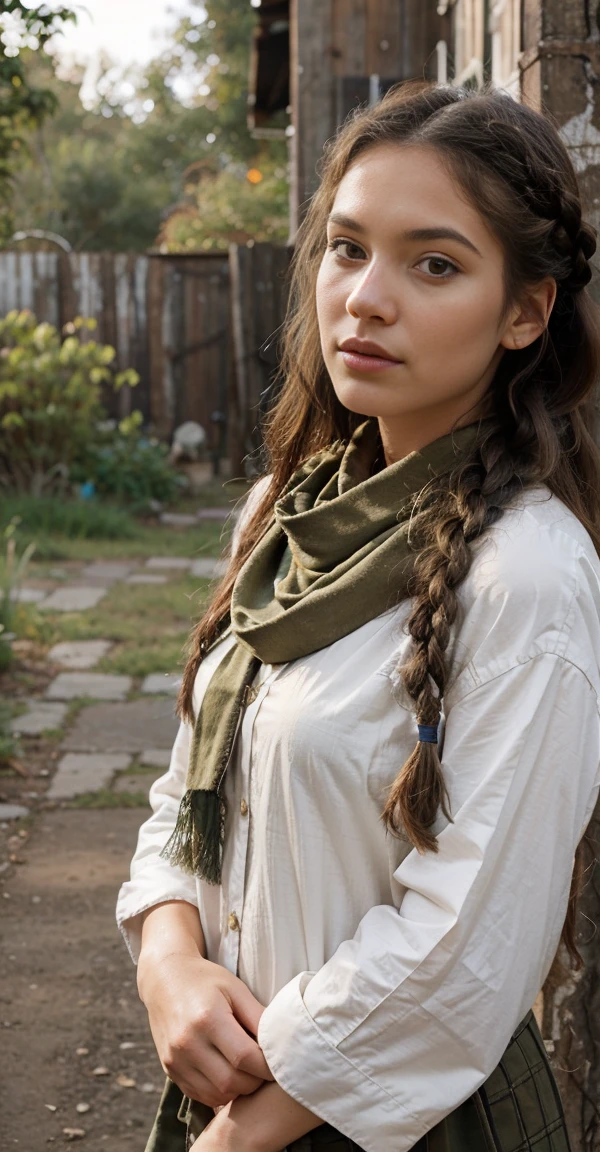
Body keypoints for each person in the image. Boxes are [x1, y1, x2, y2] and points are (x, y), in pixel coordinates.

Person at [116, 81, 600, 1152]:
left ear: (527, 311)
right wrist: (170, 962)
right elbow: (186, 788)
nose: (366, 297)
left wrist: (243, 1136)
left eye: (434, 264)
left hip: (399, 1121)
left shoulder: (528, 573)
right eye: (346, 249)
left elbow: (464, 946)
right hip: (232, 1091)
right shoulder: (280, 515)